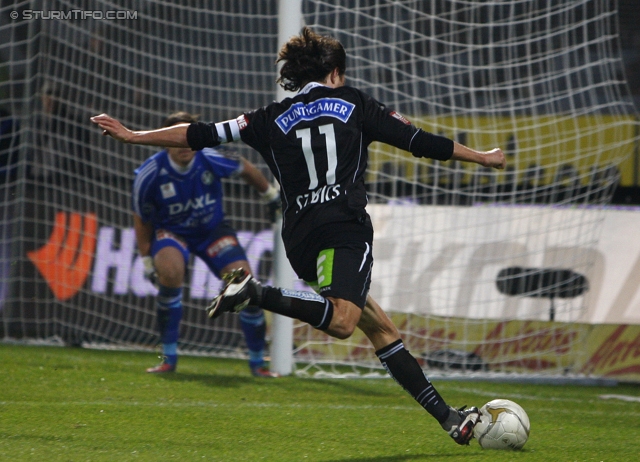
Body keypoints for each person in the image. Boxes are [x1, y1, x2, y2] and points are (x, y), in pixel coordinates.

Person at [91, 27, 506, 444]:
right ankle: (255, 293)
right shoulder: (355, 103)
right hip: (344, 228)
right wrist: (483, 157)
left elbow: (198, 134)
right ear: (335, 73)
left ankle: (450, 419)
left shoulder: (265, 118)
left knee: (378, 327)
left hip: (301, 239)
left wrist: (134, 135)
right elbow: (420, 142)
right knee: (344, 322)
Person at [130, 111, 280, 377]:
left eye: (190, 138)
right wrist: (145, 258)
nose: (186, 145)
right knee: (170, 273)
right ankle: (168, 358)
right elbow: (141, 219)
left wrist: (269, 194)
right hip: (173, 233)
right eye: (178, 139)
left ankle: (258, 364)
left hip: (212, 232)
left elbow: (244, 166)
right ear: (165, 142)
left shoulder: (210, 158)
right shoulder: (150, 174)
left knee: (245, 285)